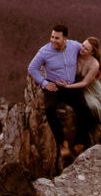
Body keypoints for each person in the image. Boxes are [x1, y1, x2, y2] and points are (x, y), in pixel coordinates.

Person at [28, 25, 96, 160]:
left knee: (84, 109)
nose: (53, 40)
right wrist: (45, 83)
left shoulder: (74, 46)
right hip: (54, 86)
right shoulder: (44, 52)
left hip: (70, 86)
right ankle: (62, 143)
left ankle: (79, 142)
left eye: (57, 38)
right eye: (52, 37)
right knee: (49, 108)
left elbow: (87, 51)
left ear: (65, 38)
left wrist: (96, 66)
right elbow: (32, 68)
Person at [65, 36, 101, 140]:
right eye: (83, 45)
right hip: (80, 88)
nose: (82, 49)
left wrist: (68, 86)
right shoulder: (76, 54)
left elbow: (85, 82)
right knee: (94, 105)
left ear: (92, 53)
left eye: (86, 49)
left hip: (91, 85)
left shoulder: (94, 64)